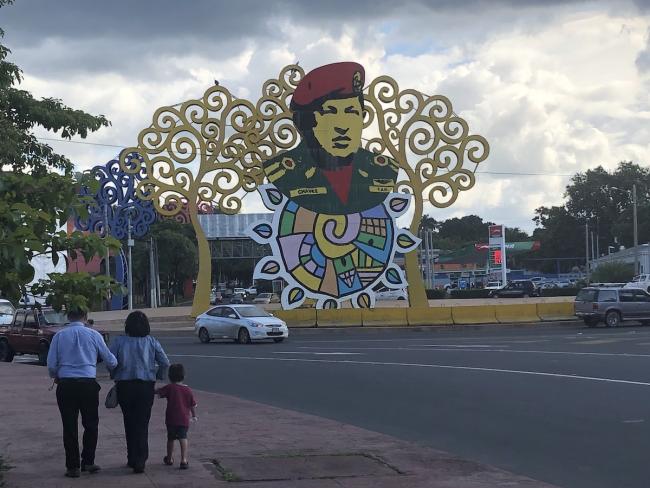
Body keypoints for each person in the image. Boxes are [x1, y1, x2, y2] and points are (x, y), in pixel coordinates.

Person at [263, 61, 399, 215]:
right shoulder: (284, 173)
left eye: (350, 112)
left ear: (363, 117)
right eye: (330, 112)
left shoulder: (384, 170)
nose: (342, 126)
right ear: (307, 121)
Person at [46, 308, 117, 478]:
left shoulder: (59, 336)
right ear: (86, 317)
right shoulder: (94, 335)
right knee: (91, 424)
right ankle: (88, 461)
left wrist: (57, 375)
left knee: (69, 426)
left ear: (68, 317)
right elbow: (112, 361)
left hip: (66, 385)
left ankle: (72, 466)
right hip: (88, 384)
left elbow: (51, 365)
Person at [110, 311, 170, 474]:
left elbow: (110, 361)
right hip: (145, 386)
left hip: (125, 386)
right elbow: (165, 362)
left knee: (129, 421)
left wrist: (114, 373)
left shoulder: (119, 341)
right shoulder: (151, 342)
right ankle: (141, 459)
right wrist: (157, 376)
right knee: (143, 423)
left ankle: (132, 456)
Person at [156, 363, 197, 469]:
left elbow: (159, 393)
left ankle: (169, 458)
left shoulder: (169, 387)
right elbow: (192, 405)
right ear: (184, 376)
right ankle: (184, 459)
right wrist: (194, 415)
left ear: (169, 376)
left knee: (170, 438)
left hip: (171, 419)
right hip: (183, 418)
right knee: (183, 437)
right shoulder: (188, 390)